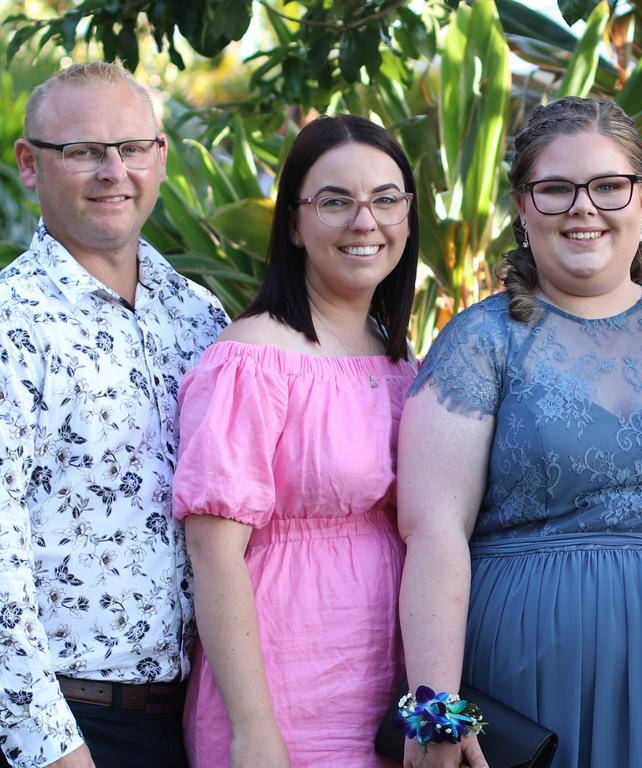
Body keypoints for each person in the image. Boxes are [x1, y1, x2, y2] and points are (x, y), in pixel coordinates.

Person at [396, 96, 642, 768]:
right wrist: (433, 710)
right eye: (556, 188)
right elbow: (432, 531)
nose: (582, 207)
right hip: (523, 665)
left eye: (608, 186)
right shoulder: (481, 343)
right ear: (523, 206)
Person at [171, 114, 419, 768]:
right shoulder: (250, 360)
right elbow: (213, 553)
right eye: (335, 201)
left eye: (387, 199)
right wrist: (255, 732)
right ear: (293, 222)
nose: (365, 221)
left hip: (384, 689)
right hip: (285, 694)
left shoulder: (401, 365)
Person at [0, 62, 227, 768]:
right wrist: (53, 747)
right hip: (62, 726)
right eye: (84, 152)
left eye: (130, 148)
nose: (112, 171)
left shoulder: (200, 317)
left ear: (160, 156)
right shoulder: (11, 322)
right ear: (30, 164)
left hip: (184, 718)